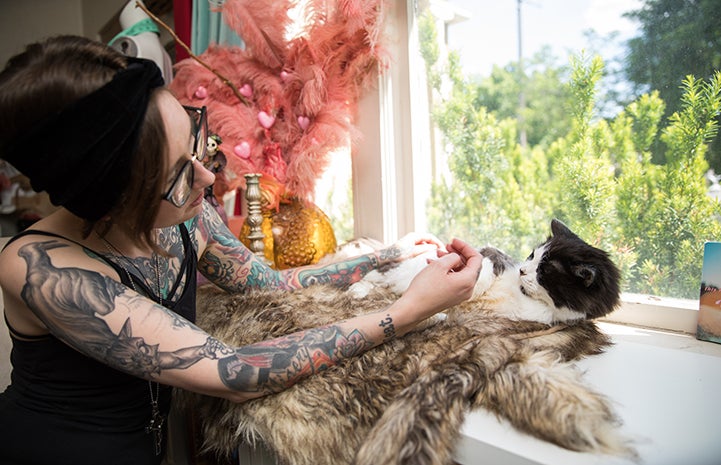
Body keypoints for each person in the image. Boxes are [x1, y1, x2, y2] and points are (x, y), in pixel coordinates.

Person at [0, 35, 482, 465]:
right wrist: (409, 309)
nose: (207, 178)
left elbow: (267, 283)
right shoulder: (38, 267)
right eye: (177, 174)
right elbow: (231, 370)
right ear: (111, 194)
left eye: (198, 147)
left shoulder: (187, 213)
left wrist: (385, 257)